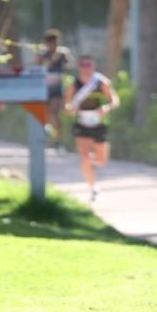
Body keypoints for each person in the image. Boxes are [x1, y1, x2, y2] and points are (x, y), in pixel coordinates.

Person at [64, 54, 119, 201]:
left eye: (88, 65)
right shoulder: (73, 85)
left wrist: (106, 108)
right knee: (84, 157)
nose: (86, 68)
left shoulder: (101, 82)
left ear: (93, 66)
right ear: (79, 67)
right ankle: (93, 187)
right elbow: (67, 106)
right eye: (83, 65)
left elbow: (114, 100)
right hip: (82, 124)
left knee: (101, 160)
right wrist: (71, 109)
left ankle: (92, 165)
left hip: (99, 124)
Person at [36, 29, 74, 151]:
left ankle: (58, 141)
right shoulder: (43, 53)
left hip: (57, 88)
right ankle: (47, 136)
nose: (54, 45)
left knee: (54, 112)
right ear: (47, 43)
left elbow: (70, 65)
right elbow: (37, 66)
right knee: (46, 114)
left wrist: (62, 65)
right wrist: (45, 61)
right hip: (45, 87)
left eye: (56, 42)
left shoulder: (63, 53)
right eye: (51, 42)